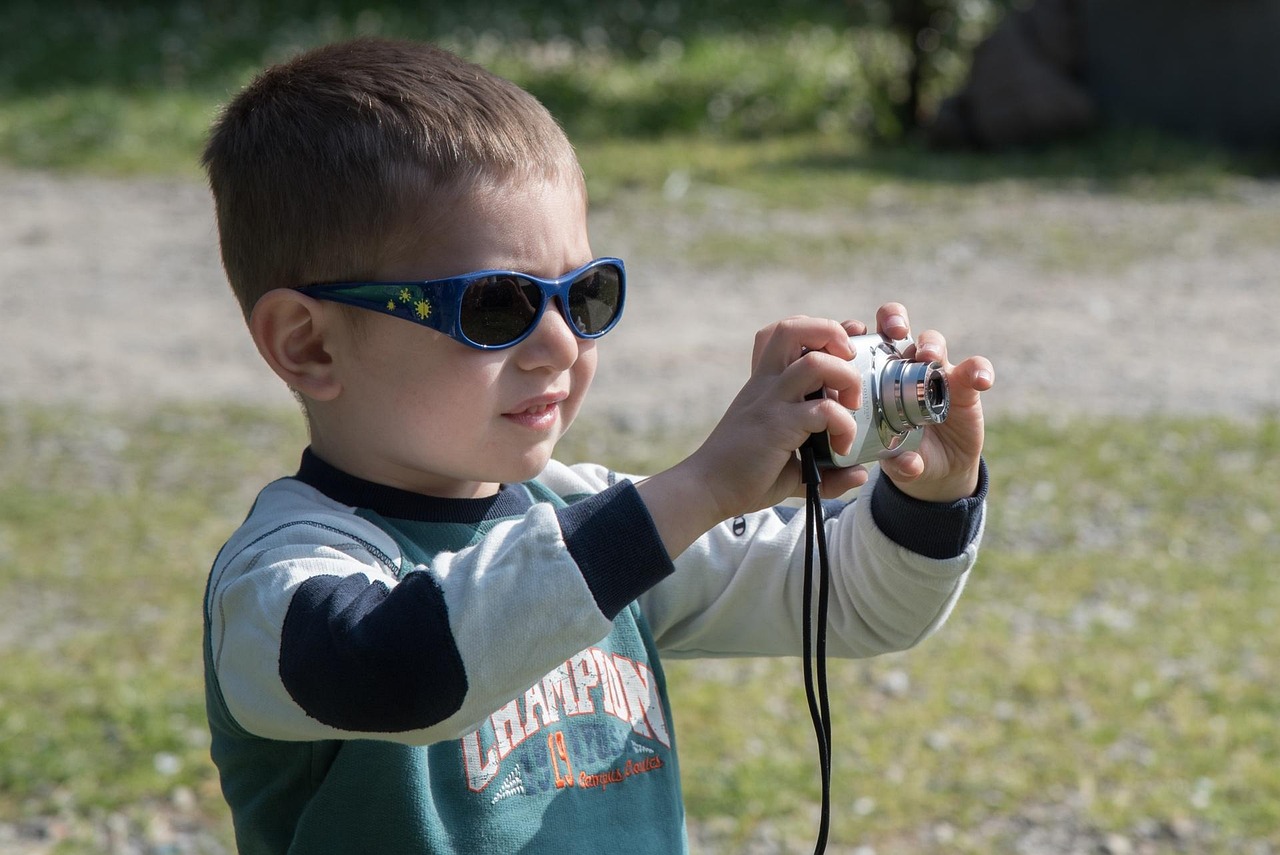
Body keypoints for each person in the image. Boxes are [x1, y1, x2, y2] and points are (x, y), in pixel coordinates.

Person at [201, 37, 994, 855]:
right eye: (497, 307)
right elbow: (393, 667)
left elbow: (859, 605)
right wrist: (700, 488)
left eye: (585, 294)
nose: (560, 344)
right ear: (310, 345)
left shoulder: (586, 515)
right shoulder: (280, 576)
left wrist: (927, 491)